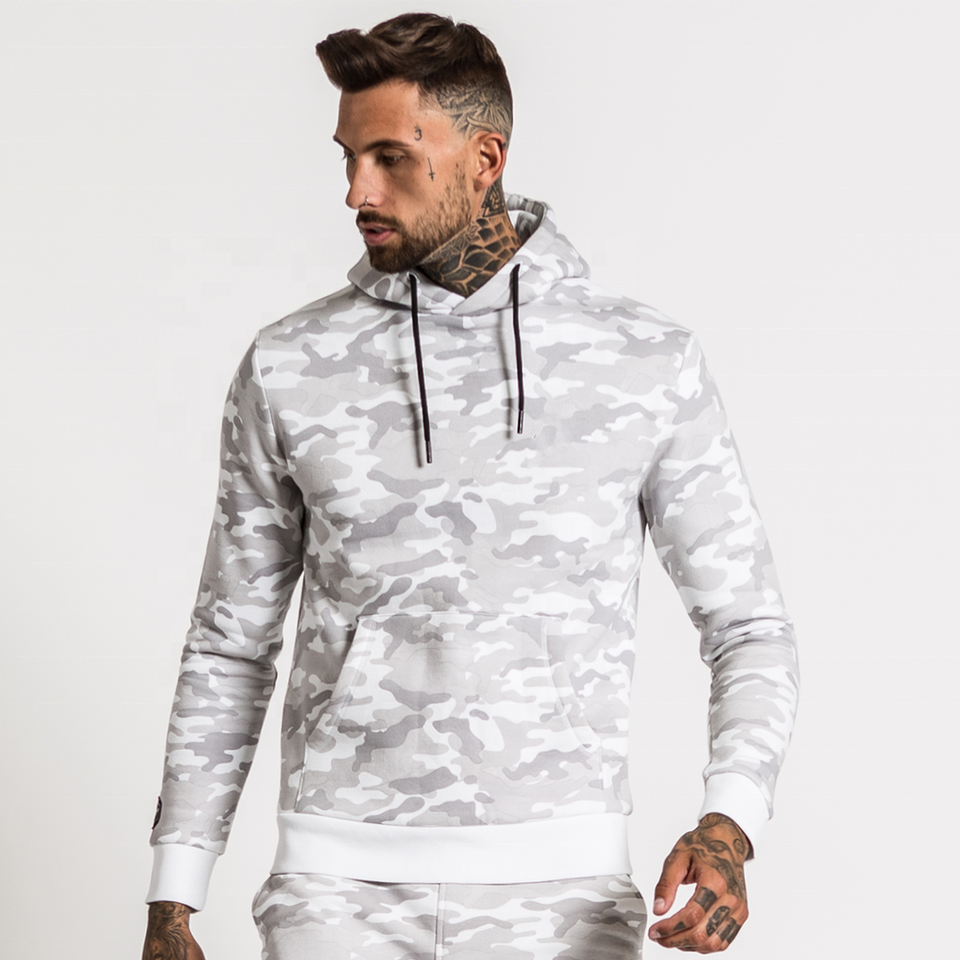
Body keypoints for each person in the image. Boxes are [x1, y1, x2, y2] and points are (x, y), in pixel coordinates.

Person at [142, 12, 799, 959]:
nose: (357, 191)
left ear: (485, 158)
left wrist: (730, 822)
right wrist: (175, 894)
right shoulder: (289, 365)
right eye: (348, 158)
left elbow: (749, 627)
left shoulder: (644, 362)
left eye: (391, 158)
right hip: (333, 892)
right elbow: (229, 645)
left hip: (565, 898)